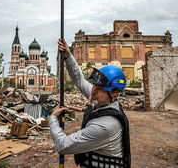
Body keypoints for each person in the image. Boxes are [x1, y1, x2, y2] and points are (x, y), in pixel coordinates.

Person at [49, 39, 131, 168]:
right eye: (94, 85)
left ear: (115, 95)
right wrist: (68, 56)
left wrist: (53, 118)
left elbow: (63, 145)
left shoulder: (106, 126)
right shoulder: (102, 99)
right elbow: (79, 79)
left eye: (100, 89)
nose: (93, 90)